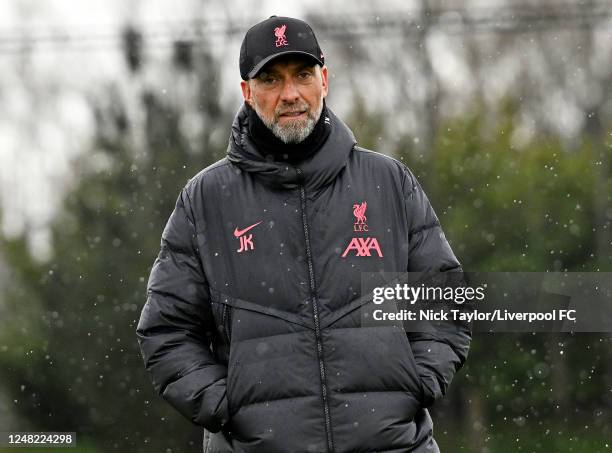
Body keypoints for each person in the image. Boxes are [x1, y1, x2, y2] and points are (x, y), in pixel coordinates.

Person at [136, 15, 471, 453]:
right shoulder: (205, 201)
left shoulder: (389, 182)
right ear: (246, 92)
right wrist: (228, 406)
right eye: (271, 79)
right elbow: (166, 330)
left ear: (324, 80)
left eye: (303, 75)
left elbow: (444, 299)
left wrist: (415, 384)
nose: (290, 94)